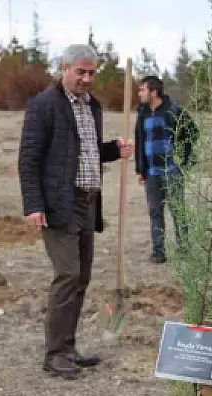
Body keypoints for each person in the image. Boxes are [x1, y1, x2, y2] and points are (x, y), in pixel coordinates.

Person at [18, 44, 132, 378]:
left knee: (81, 277)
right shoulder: (44, 106)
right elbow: (29, 158)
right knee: (67, 275)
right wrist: (34, 204)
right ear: (63, 68)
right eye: (79, 72)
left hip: (88, 202)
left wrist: (113, 149)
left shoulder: (90, 106)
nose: (85, 79)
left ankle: (68, 348)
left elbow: (86, 151)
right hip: (58, 204)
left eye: (91, 73)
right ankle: (54, 355)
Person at [134, 74, 199, 263]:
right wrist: (141, 169)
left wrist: (183, 162)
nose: (139, 93)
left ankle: (184, 249)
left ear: (153, 92)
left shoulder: (174, 111)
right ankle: (158, 252)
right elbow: (140, 141)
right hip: (152, 174)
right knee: (155, 212)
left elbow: (193, 133)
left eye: (142, 89)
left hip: (172, 171)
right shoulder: (142, 112)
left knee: (178, 211)